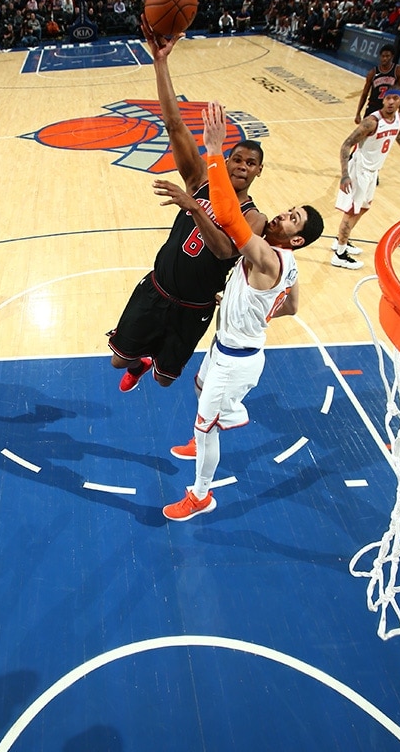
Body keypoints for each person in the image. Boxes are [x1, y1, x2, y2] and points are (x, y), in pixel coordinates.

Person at [155, 102, 323, 520]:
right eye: (289, 211)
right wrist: (245, 306)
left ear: (296, 239)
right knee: (198, 386)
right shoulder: (289, 264)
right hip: (230, 348)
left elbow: (229, 216)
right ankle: (227, 414)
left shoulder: (267, 256)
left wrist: (214, 151)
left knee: (202, 425)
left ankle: (200, 496)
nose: (283, 215)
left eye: (292, 219)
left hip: (237, 359)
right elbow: (294, 305)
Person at [108, 18, 266, 391]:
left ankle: (153, 362)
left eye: (251, 163)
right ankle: (140, 359)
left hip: (193, 309)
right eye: (238, 159)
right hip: (157, 290)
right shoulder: (199, 180)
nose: (242, 166)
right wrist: (160, 63)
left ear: (260, 171)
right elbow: (174, 124)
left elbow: (226, 250)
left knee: (164, 381)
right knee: (119, 360)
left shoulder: (254, 218)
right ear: (226, 160)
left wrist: (193, 207)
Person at [332, 89, 400, 270]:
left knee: (363, 208)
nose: (390, 102)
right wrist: (345, 175)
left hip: (373, 172)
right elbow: (346, 144)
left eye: (394, 99)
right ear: (383, 100)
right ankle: (339, 254)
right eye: (388, 98)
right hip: (359, 170)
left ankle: (343, 240)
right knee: (351, 212)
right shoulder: (372, 122)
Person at [354, 44, 400, 126]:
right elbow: (364, 94)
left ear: (392, 56)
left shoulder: (398, 70)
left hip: (388, 108)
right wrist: (358, 113)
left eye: (387, 56)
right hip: (373, 107)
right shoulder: (372, 73)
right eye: (383, 56)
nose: (385, 58)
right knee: (365, 134)